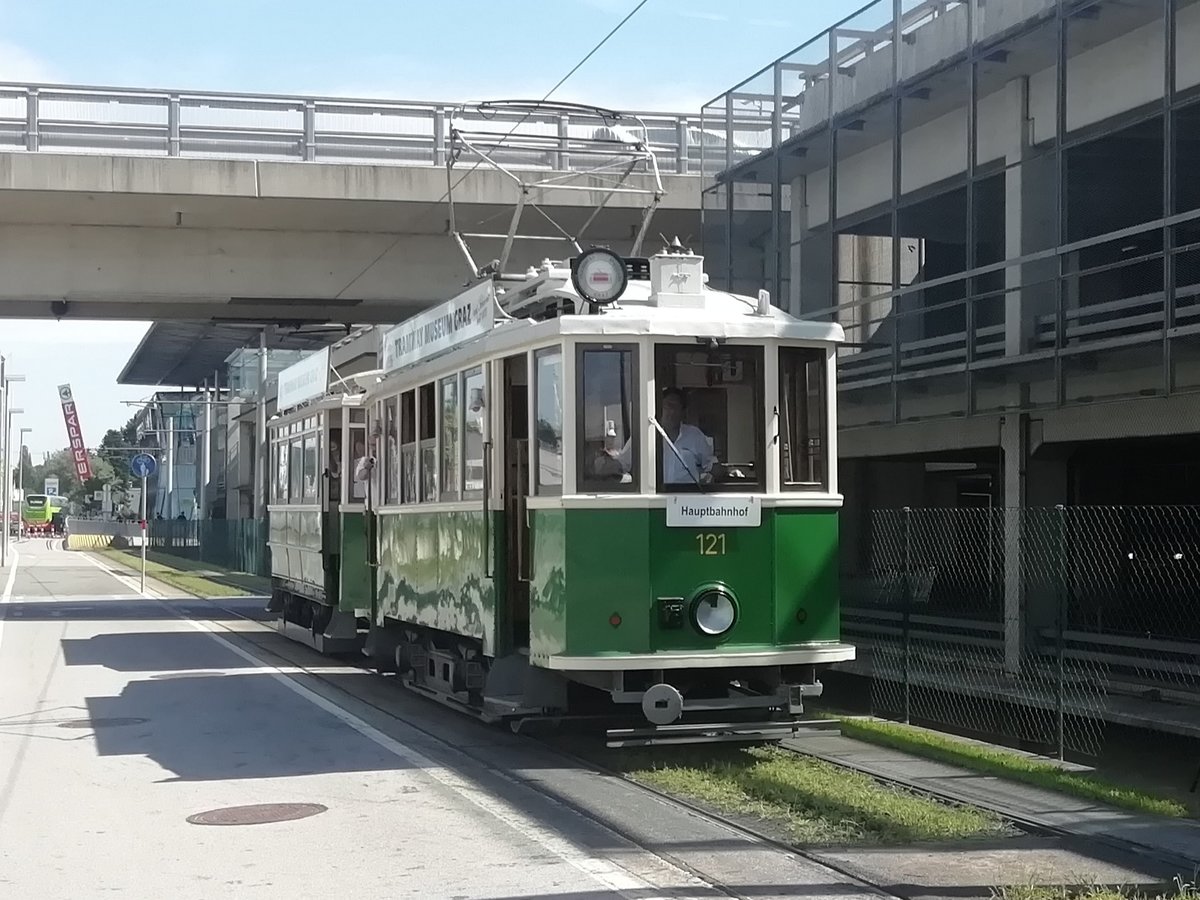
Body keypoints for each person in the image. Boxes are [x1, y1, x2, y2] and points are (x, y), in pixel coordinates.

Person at [601, 387, 716, 485]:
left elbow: (710, 465)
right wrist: (600, 466)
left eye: (675, 407)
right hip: (655, 498)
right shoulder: (645, 435)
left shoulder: (695, 436)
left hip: (687, 503)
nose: (671, 412)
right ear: (660, 408)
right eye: (667, 406)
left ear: (682, 412)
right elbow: (622, 464)